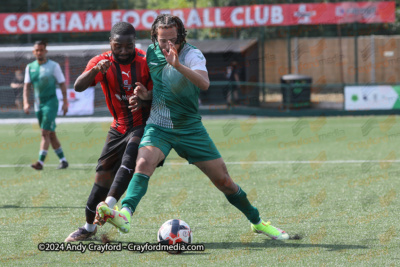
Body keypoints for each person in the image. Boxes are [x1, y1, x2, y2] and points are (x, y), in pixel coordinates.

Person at [97, 14, 290, 240]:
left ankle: (257, 222)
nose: (169, 45)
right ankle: (125, 214)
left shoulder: (192, 55)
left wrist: (177, 65)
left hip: (190, 129)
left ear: (181, 36)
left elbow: (204, 83)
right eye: (163, 40)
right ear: (154, 38)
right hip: (159, 126)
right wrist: (144, 96)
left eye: (174, 39)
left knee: (225, 182)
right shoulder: (150, 53)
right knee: (143, 163)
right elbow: (161, 90)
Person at [65, 22, 153, 242]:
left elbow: (159, 94)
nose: (123, 50)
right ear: (110, 44)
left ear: (135, 43)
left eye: (128, 46)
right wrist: (95, 70)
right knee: (101, 177)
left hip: (143, 124)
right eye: (118, 46)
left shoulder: (145, 61)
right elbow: (78, 86)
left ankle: (109, 207)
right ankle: (88, 228)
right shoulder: (101, 62)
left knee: (129, 159)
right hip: (117, 128)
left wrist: (144, 98)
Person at [23, 41, 69, 170]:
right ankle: (63, 161)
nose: (39, 52)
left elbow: (62, 84)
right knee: (51, 133)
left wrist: (65, 102)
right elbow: (26, 87)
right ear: (34, 52)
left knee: (44, 132)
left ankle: (40, 162)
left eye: (41, 50)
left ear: (45, 51)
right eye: (37, 50)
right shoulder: (30, 67)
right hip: (38, 105)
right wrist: (26, 102)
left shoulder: (54, 66)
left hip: (51, 103)